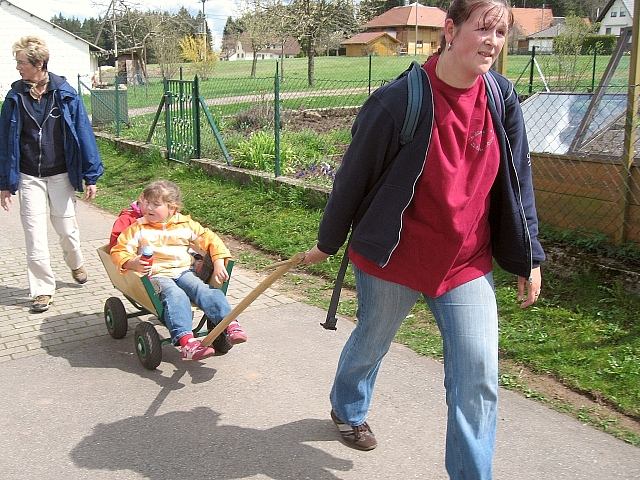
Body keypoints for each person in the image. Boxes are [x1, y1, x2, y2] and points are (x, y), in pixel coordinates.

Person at [303, 0, 544, 478]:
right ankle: (347, 408)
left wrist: (528, 256)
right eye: (484, 29)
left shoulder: (502, 98)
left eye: (502, 32)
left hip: (465, 263)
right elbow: (353, 178)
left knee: (477, 378)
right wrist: (327, 242)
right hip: (395, 257)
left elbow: (519, 181)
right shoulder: (399, 101)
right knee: (372, 342)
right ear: (451, 31)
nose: (494, 42)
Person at [0, 36, 104, 313]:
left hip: (60, 174)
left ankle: (75, 262)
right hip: (28, 175)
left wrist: (91, 175)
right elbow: (5, 142)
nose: (18, 67)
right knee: (34, 234)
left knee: (67, 229)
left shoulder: (66, 94)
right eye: (18, 62)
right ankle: (42, 290)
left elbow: (83, 133)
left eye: (22, 62)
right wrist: (5, 183)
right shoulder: (14, 98)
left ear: (39, 63)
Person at [111, 180, 247, 361]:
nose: (149, 208)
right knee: (176, 296)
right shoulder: (138, 228)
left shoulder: (185, 224)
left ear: (172, 208)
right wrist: (132, 262)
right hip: (157, 275)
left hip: (183, 271)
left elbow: (210, 239)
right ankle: (187, 342)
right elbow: (119, 250)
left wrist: (219, 261)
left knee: (204, 290)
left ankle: (229, 324)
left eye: (156, 204)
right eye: (148, 203)